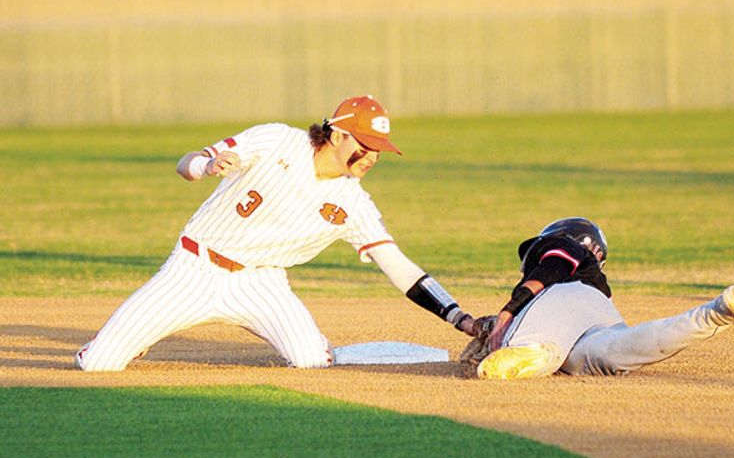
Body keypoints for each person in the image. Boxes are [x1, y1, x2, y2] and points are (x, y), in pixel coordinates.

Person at [76, 95, 474, 371]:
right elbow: (187, 162)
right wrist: (206, 167)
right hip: (194, 268)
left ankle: (317, 346)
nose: (372, 157)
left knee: (311, 360)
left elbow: (399, 268)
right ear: (337, 135)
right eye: (366, 145)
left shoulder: (355, 204)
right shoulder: (276, 140)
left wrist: (461, 319)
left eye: (378, 149)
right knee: (98, 366)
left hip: (261, 283)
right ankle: (141, 331)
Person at [464, 217, 734, 379]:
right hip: (601, 313)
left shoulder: (561, 245)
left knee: (535, 347)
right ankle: (716, 313)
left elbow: (553, 268)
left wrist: (507, 312)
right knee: (616, 351)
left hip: (564, 296)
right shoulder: (598, 277)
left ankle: (526, 349)